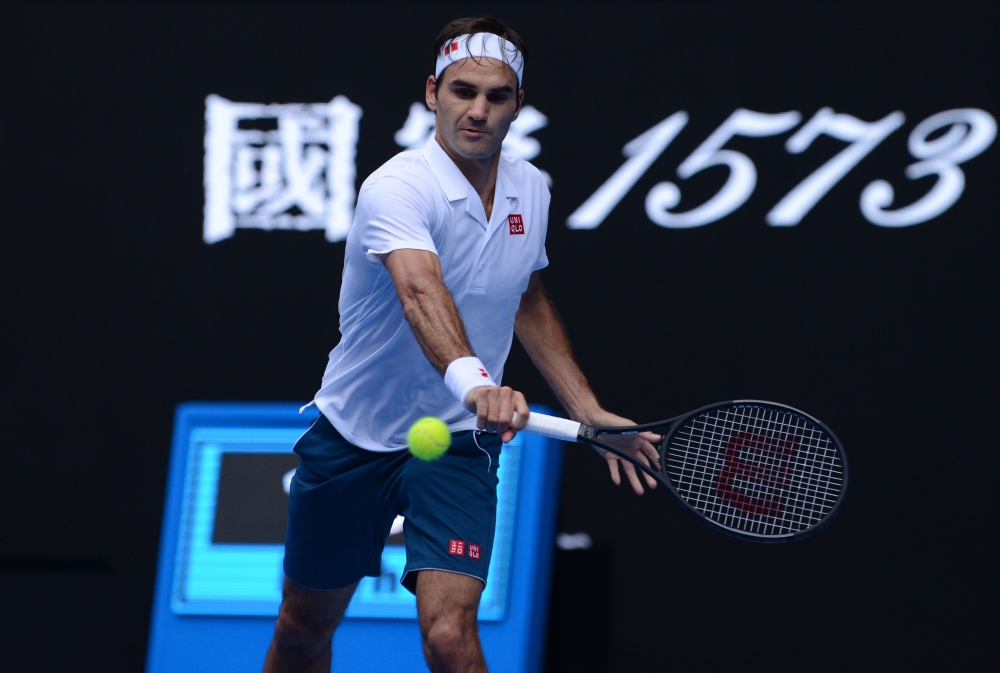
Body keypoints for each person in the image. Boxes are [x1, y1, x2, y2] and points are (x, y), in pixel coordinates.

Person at [263, 16, 661, 673]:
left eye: (496, 96)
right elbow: (420, 291)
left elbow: (523, 297)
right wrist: (477, 384)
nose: (477, 110)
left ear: (517, 105)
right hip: (352, 436)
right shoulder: (397, 186)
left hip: (453, 441)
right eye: (462, 90)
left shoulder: (530, 189)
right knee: (303, 628)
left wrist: (586, 407)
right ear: (432, 92)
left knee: (451, 638)